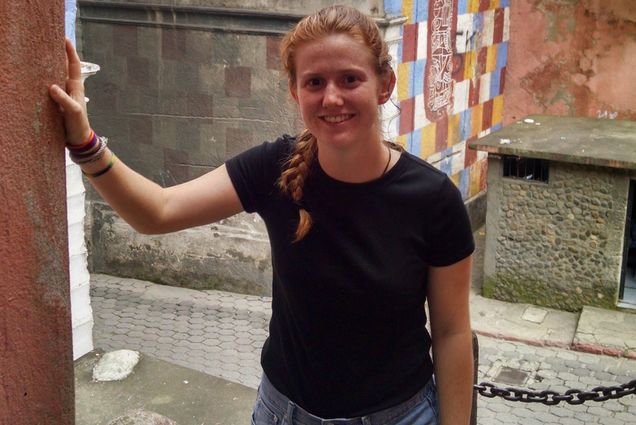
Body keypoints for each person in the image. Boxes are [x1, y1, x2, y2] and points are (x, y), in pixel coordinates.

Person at [50, 5, 474, 424]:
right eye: (314, 82)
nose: (331, 97)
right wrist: (85, 144)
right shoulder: (275, 167)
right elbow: (158, 212)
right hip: (283, 413)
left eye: (350, 79)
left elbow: (452, 333)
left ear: (384, 86)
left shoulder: (433, 200)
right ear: (295, 91)